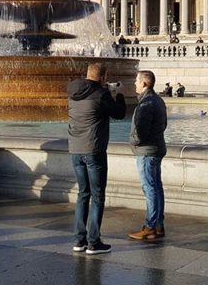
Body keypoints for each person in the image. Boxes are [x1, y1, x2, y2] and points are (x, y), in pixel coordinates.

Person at [67, 63, 126, 255]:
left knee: (82, 194)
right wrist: (119, 94)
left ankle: (79, 240)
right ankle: (94, 242)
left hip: (75, 150)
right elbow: (119, 113)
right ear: (102, 77)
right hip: (94, 150)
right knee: (98, 195)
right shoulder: (101, 94)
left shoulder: (73, 93)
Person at [128, 70, 167, 241]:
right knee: (156, 188)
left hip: (146, 151)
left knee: (150, 189)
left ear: (144, 83)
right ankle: (158, 225)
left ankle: (150, 226)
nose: (135, 84)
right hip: (156, 148)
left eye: (137, 81)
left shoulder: (145, 104)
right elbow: (164, 124)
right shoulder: (158, 100)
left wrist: (134, 142)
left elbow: (140, 132)